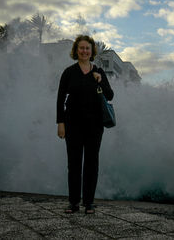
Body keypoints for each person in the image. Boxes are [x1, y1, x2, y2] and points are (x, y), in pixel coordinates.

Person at [56, 35, 114, 214]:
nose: (84, 51)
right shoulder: (69, 72)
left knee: (91, 163)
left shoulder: (98, 71)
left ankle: (88, 203)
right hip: (72, 125)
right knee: (73, 164)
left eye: (87, 48)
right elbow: (60, 99)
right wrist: (60, 123)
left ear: (92, 51)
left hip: (95, 126)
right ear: (76, 50)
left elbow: (110, 96)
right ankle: (73, 203)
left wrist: (100, 81)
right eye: (81, 48)